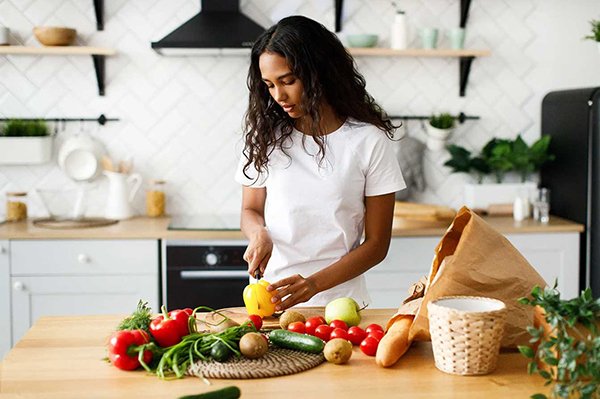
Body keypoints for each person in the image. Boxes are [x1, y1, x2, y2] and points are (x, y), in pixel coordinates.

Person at [235, 15, 406, 311]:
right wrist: (258, 232)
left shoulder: (368, 141)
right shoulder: (265, 137)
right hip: (271, 303)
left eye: (288, 81)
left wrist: (312, 285)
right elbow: (250, 210)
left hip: (339, 305)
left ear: (320, 72)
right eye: (269, 85)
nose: (279, 96)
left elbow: (377, 244)